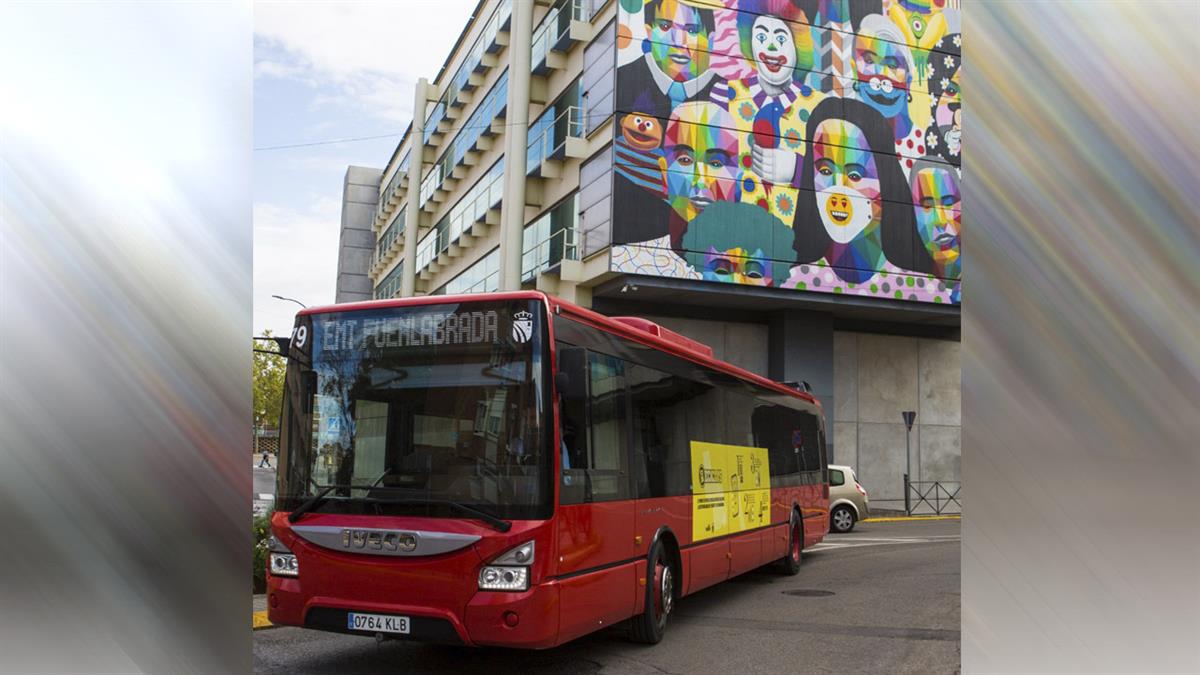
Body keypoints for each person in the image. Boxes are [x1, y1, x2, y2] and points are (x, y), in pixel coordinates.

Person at [782, 98, 951, 303]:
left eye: (855, 175)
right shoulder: (793, 281)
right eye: (825, 170)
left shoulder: (926, 290)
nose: (838, 190)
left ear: (885, 182)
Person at [709, 0, 822, 225]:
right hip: (736, 234)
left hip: (802, 240)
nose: (771, 48)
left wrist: (797, 169)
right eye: (761, 37)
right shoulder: (724, 94)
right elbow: (709, 161)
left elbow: (838, 179)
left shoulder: (820, 107)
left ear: (797, 45)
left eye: (780, 38)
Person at [611, 101, 739, 279]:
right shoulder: (627, 260)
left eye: (716, 163)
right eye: (685, 160)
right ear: (664, 173)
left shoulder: (764, 268)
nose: (700, 180)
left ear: (738, 177)